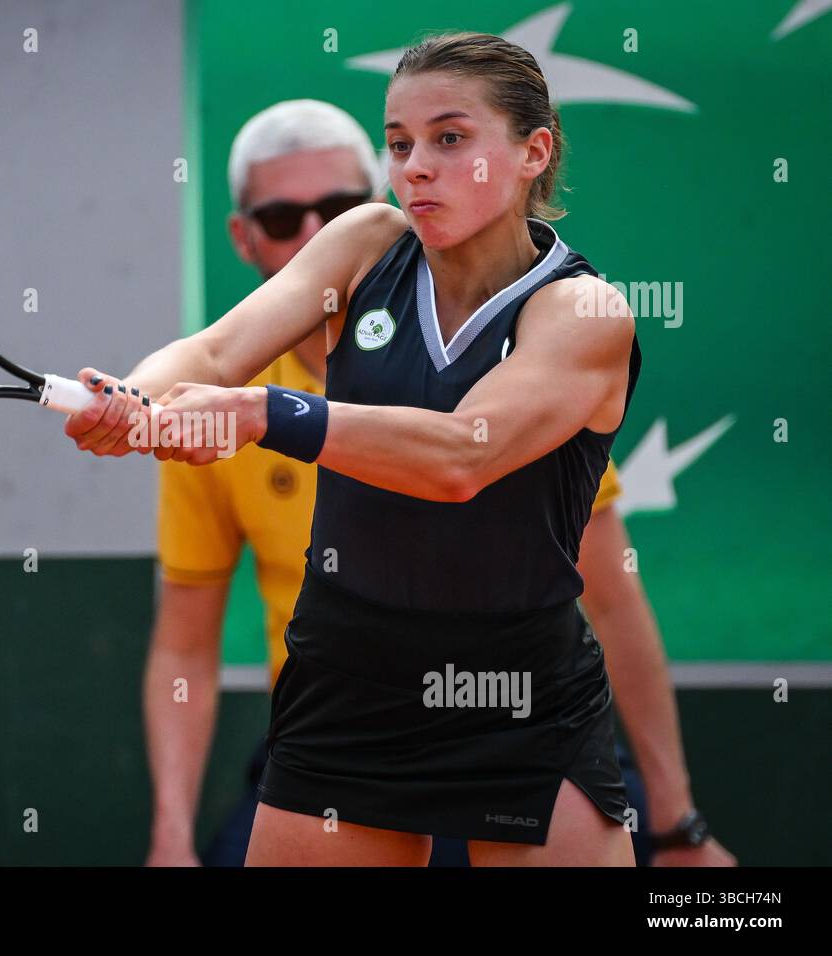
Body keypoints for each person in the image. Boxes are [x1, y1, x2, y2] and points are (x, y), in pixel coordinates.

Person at [70, 32, 669, 864]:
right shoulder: (364, 245)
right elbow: (211, 353)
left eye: (449, 139)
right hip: (346, 687)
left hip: (516, 695)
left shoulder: (584, 313)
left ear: (534, 151)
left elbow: (462, 456)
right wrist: (133, 397)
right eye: (399, 144)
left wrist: (260, 412)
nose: (416, 165)